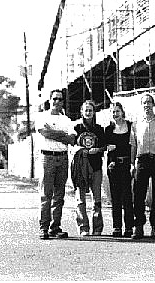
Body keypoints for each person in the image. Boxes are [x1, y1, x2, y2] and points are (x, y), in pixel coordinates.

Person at [36, 89, 76, 240]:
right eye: (54, 98)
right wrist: (62, 135)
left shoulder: (66, 120)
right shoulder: (42, 116)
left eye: (60, 99)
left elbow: (72, 139)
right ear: (50, 100)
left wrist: (53, 132)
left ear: (63, 102)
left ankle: (55, 227)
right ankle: (43, 227)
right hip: (48, 157)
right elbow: (44, 132)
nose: (57, 101)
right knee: (46, 194)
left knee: (59, 195)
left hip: (62, 158)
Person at [130, 93, 155, 239]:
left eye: (149, 102)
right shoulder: (136, 124)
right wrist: (132, 164)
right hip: (142, 160)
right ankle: (138, 226)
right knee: (138, 195)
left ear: (153, 104)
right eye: (144, 103)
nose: (146, 105)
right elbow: (133, 145)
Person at [71, 100, 106, 236]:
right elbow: (71, 145)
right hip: (80, 167)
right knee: (80, 198)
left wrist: (97, 149)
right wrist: (80, 149)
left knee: (96, 198)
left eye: (90, 110)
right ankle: (83, 227)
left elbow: (104, 146)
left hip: (96, 166)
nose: (88, 113)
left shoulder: (98, 129)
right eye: (86, 110)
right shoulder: (77, 128)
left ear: (94, 112)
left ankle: (97, 227)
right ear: (82, 112)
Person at [105, 102, 134, 238]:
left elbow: (134, 145)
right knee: (115, 197)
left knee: (127, 197)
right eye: (113, 112)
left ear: (122, 112)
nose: (115, 114)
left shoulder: (130, 126)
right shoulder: (109, 129)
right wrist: (110, 160)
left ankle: (129, 227)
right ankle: (117, 226)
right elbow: (107, 148)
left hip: (127, 164)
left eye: (117, 111)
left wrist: (133, 163)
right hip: (114, 165)